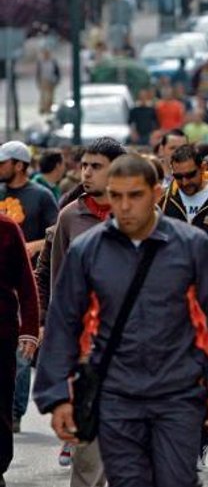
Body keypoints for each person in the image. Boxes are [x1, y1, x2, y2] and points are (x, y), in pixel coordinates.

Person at [33, 154, 208, 487]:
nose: (124, 205)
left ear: (155, 193)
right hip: (115, 394)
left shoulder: (192, 247)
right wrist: (56, 395)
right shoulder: (88, 251)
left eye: (134, 195)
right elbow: (64, 321)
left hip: (178, 394)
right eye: (116, 195)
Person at [47, 138, 127, 487]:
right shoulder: (69, 218)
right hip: (88, 353)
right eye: (84, 165)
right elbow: (60, 289)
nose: (86, 172)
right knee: (89, 459)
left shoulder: (142, 215)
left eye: (96, 166)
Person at [0, 140, 58, 433]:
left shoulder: (41, 196)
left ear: (19, 164)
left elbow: (54, 233)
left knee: (20, 360)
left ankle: (14, 411)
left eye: (3, 162)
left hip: (27, 282)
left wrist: (26, 247)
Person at [0, 213, 40, 487]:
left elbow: (27, 285)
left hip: (1, 335)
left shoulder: (7, 229)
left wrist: (30, 329)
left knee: (1, 404)